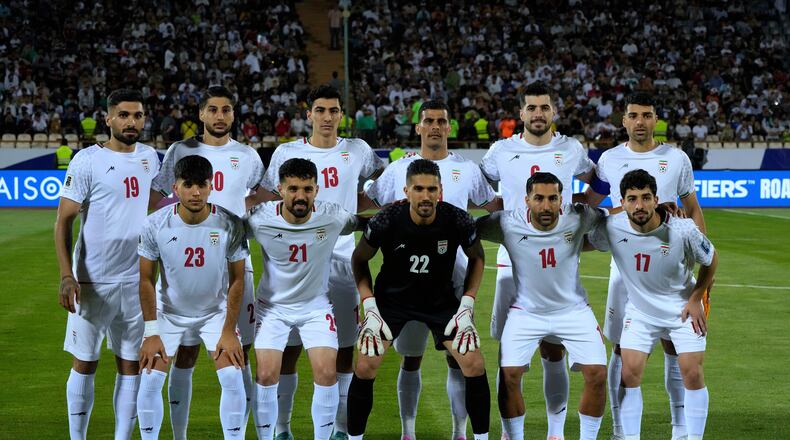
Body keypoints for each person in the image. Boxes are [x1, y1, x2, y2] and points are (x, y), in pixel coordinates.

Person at [363, 100, 498, 440]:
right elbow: (374, 206)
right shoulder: (398, 170)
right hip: (405, 280)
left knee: (458, 358)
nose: (435, 126)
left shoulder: (467, 169)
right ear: (419, 127)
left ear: (449, 127)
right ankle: (408, 431)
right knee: (411, 358)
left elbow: (491, 206)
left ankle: (459, 432)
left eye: (441, 120)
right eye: (429, 121)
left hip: (454, 279)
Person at [480, 80, 608, 439]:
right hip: (512, 260)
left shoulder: (570, 148)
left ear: (553, 112)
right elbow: (481, 190)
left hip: (558, 261)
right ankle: (511, 429)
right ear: (521, 113)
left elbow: (597, 183)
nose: (538, 114)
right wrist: (503, 216)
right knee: (509, 356)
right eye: (532, 108)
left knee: (554, 351)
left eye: (544, 108)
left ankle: (556, 432)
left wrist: (577, 219)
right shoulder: (502, 150)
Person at [261, 85, 384, 440]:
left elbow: (371, 189)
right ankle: (282, 427)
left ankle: (339, 429)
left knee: (344, 346)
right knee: (289, 347)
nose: (327, 117)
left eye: (333, 110)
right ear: (309, 114)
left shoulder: (358, 150)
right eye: (320, 110)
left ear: (341, 115)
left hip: (343, 255)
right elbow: (273, 198)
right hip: (296, 259)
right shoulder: (287, 152)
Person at [149, 85, 270, 439]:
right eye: (213, 109)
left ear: (234, 114)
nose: (220, 116)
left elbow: (259, 197)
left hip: (234, 264)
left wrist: (238, 223)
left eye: (227, 110)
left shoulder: (247, 155)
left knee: (237, 351)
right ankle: (180, 435)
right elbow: (157, 195)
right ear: (200, 114)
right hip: (183, 268)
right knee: (183, 354)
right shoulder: (179, 150)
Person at [584, 92, 706, 440]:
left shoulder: (676, 157)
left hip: (671, 268)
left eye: (647, 115)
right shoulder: (609, 159)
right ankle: (621, 430)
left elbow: (692, 206)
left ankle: (680, 427)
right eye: (633, 115)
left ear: (656, 120)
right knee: (622, 349)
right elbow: (593, 208)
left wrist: (696, 250)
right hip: (625, 270)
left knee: (675, 345)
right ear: (623, 120)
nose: (640, 122)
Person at [55, 89, 160, 440]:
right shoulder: (87, 160)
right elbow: (63, 221)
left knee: (131, 365)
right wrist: (67, 275)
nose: (132, 122)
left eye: (138, 115)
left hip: (136, 280)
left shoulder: (150, 158)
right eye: (125, 115)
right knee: (85, 361)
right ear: (109, 119)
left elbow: (161, 206)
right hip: (91, 281)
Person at [246, 158, 367, 440]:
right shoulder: (260, 218)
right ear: (280, 189)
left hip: (316, 308)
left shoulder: (333, 216)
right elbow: (227, 232)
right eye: (293, 189)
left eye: (307, 189)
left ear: (317, 189)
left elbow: (362, 224)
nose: (300, 196)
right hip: (272, 309)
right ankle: (276, 433)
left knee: (326, 374)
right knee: (265, 375)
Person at [136, 155, 248, 439]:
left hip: (214, 312)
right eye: (188, 185)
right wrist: (151, 332)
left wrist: (228, 330)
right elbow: (146, 279)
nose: (195, 192)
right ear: (175, 187)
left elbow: (237, 279)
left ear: (212, 186)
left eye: (202, 185)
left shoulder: (230, 224)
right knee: (149, 380)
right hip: (169, 313)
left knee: (234, 377)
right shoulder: (154, 224)